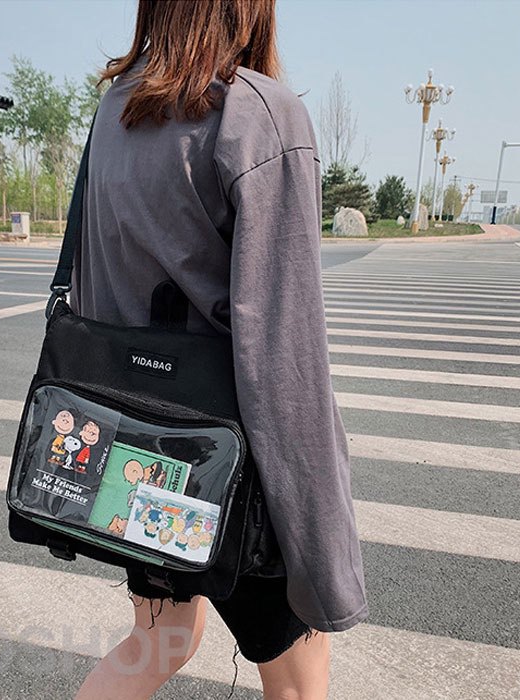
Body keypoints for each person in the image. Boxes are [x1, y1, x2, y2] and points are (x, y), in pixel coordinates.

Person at [72, 1, 368, 698]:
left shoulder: (117, 111)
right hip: (234, 467)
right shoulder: (258, 112)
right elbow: (285, 355)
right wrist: (321, 549)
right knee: (298, 680)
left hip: (136, 446)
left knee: (160, 641)